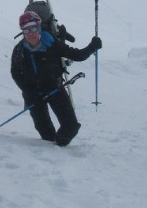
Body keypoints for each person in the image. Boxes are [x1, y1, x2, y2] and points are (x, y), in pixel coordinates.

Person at [10, 10, 101, 146]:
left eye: (34, 28)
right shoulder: (19, 50)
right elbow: (15, 73)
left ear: (39, 27)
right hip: (33, 95)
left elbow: (77, 55)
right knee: (46, 134)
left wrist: (92, 47)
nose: (31, 34)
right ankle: (50, 154)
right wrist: (28, 91)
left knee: (71, 127)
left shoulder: (52, 44)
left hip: (54, 89)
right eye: (26, 30)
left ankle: (57, 149)